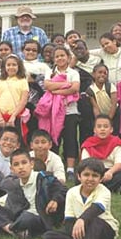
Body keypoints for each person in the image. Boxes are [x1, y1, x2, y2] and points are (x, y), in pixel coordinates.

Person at [42, 158, 119, 239]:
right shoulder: (71, 192)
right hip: (80, 230)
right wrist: (75, 233)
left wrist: (81, 219)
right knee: (48, 236)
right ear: (79, 176)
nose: (90, 179)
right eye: (86, 175)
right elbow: (69, 219)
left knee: (95, 222)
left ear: (101, 178)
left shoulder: (104, 191)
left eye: (95, 176)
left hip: (103, 228)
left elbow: (97, 208)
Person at [0, 149, 67, 239]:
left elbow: (63, 189)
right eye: (16, 165)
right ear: (12, 169)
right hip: (19, 215)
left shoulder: (43, 177)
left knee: (27, 217)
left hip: (38, 217)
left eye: (24, 163)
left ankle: (5, 228)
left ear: (31, 164)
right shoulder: (15, 183)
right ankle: (15, 231)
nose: (21, 167)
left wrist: (55, 200)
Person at [39, 46, 80, 179]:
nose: (60, 58)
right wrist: (65, 85)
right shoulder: (50, 72)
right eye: (57, 56)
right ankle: (52, 167)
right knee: (54, 139)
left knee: (70, 139)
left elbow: (74, 88)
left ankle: (70, 169)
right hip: (53, 112)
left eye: (62, 55)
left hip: (70, 111)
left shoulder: (73, 73)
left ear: (68, 57)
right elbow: (47, 86)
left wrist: (56, 90)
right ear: (54, 59)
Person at [90, 33, 121, 134]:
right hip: (112, 95)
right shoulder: (103, 53)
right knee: (115, 123)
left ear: (114, 41)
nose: (105, 47)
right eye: (103, 45)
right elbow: (86, 53)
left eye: (107, 43)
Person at [81, 115, 121, 193]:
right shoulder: (88, 144)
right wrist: (95, 175)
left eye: (105, 126)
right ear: (94, 130)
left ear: (111, 129)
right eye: (99, 126)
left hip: (111, 171)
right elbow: (85, 163)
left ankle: (94, 189)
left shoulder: (116, 143)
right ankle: (114, 188)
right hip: (93, 171)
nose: (102, 129)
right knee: (80, 175)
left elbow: (119, 164)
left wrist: (110, 172)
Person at [0, 54, 29, 145]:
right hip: (2, 118)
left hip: (15, 117)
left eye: (14, 65)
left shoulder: (23, 81)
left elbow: (23, 101)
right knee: (2, 141)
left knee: (17, 141)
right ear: (4, 67)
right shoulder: (0, 82)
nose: (11, 67)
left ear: (19, 66)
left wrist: (13, 116)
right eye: (8, 65)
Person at [70, 39, 100, 143]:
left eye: (80, 48)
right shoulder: (71, 64)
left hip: (90, 100)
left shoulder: (97, 61)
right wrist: (72, 63)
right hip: (74, 100)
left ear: (86, 49)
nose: (78, 51)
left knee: (87, 128)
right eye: (75, 49)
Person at [87, 63, 119, 135]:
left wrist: (109, 120)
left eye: (105, 73)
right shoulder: (90, 90)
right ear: (93, 74)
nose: (102, 75)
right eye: (100, 72)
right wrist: (100, 120)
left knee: (114, 134)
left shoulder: (111, 86)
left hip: (114, 114)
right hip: (101, 114)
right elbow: (95, 107)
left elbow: (114, 105)